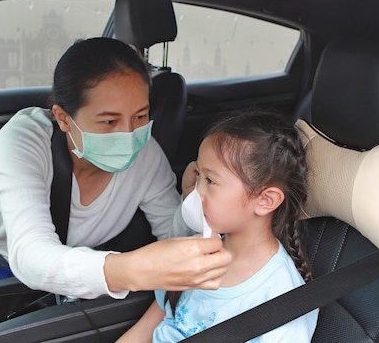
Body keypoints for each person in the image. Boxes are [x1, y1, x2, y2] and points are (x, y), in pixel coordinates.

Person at [0, 37, 231, 299]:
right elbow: (28, 245)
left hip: (22, 273)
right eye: (108, 122)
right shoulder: (27, 136)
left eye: (141, 115)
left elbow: (171, 234)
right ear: (63, 118)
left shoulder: (146, 154)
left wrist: (191, 203)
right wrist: (128, 270)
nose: (129, 134)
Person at [117, 110, 319, 342]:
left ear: (265, 201)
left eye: (210, 181)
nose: (195, 191)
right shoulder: (195, 253)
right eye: (198, 175)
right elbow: (151, 325)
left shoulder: (278, 299)